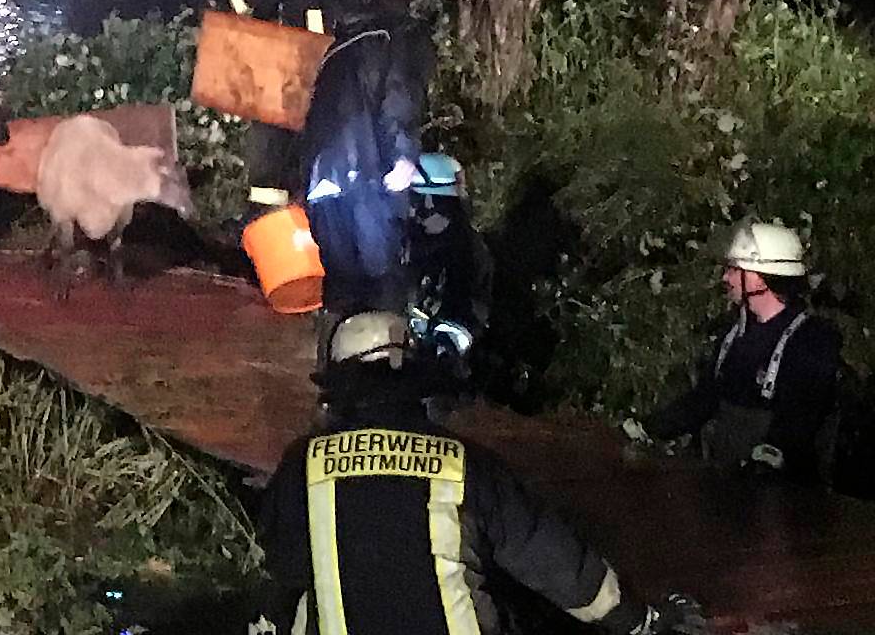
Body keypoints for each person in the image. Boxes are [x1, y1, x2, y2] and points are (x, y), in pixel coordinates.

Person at [258, 311, 703, 635]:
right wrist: (638, 620)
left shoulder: (304, 464)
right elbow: (552, 559)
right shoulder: (462, 462)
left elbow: (286, 562)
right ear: (413, 380)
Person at [623, 220, 843, 485]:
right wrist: (652, 428)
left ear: (760, 276)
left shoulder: (811, 339)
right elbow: (706, 397)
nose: (726, 278)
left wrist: (771, 454)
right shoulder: (734, 332)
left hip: (783, 493)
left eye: (734, 269)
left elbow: (803, 415)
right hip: (729, 479)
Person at [299, 0, 436, 361]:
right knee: (383, 276)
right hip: (366, 176)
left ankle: (333, 378)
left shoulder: (337, 46)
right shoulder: (395, 37)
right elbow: (399, 96)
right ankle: (388, 377)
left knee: (341, 286)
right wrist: (404, 156)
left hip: (322, 182)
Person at [225, 0, 368, 225]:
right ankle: (264, 221)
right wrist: (233, 3)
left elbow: (353, 12)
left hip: (327, 69)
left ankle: (312, 221)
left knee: (313, 147)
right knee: (269, 144)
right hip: (288, 64)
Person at [403, 148, 494, 376]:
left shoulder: (467, 252)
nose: (413, 209)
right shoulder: (407, 241)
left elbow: (468, 313)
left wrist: (443, 351)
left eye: (415, 199)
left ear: (431, 201)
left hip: (441, 365)